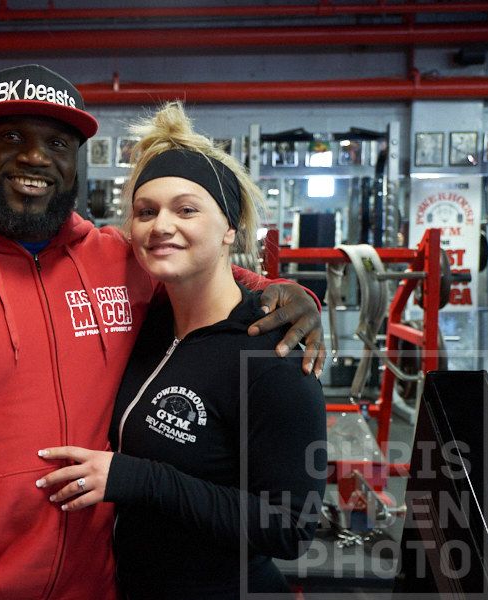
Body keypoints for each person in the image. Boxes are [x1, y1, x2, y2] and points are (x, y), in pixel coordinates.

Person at [0, 64, 324, 599]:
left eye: (57, 143)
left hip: (99, 586)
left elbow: (198, 270)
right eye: (12, 137)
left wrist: (285, 295)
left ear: (75, 161)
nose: (35, 157)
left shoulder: (116, 262)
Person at [37, 102, 326, 598]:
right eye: (146, 212)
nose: (161, 226)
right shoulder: (147, 325)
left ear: (230, 228)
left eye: (186, 210)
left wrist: (139, 479)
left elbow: (289, 527)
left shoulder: (271, 355)